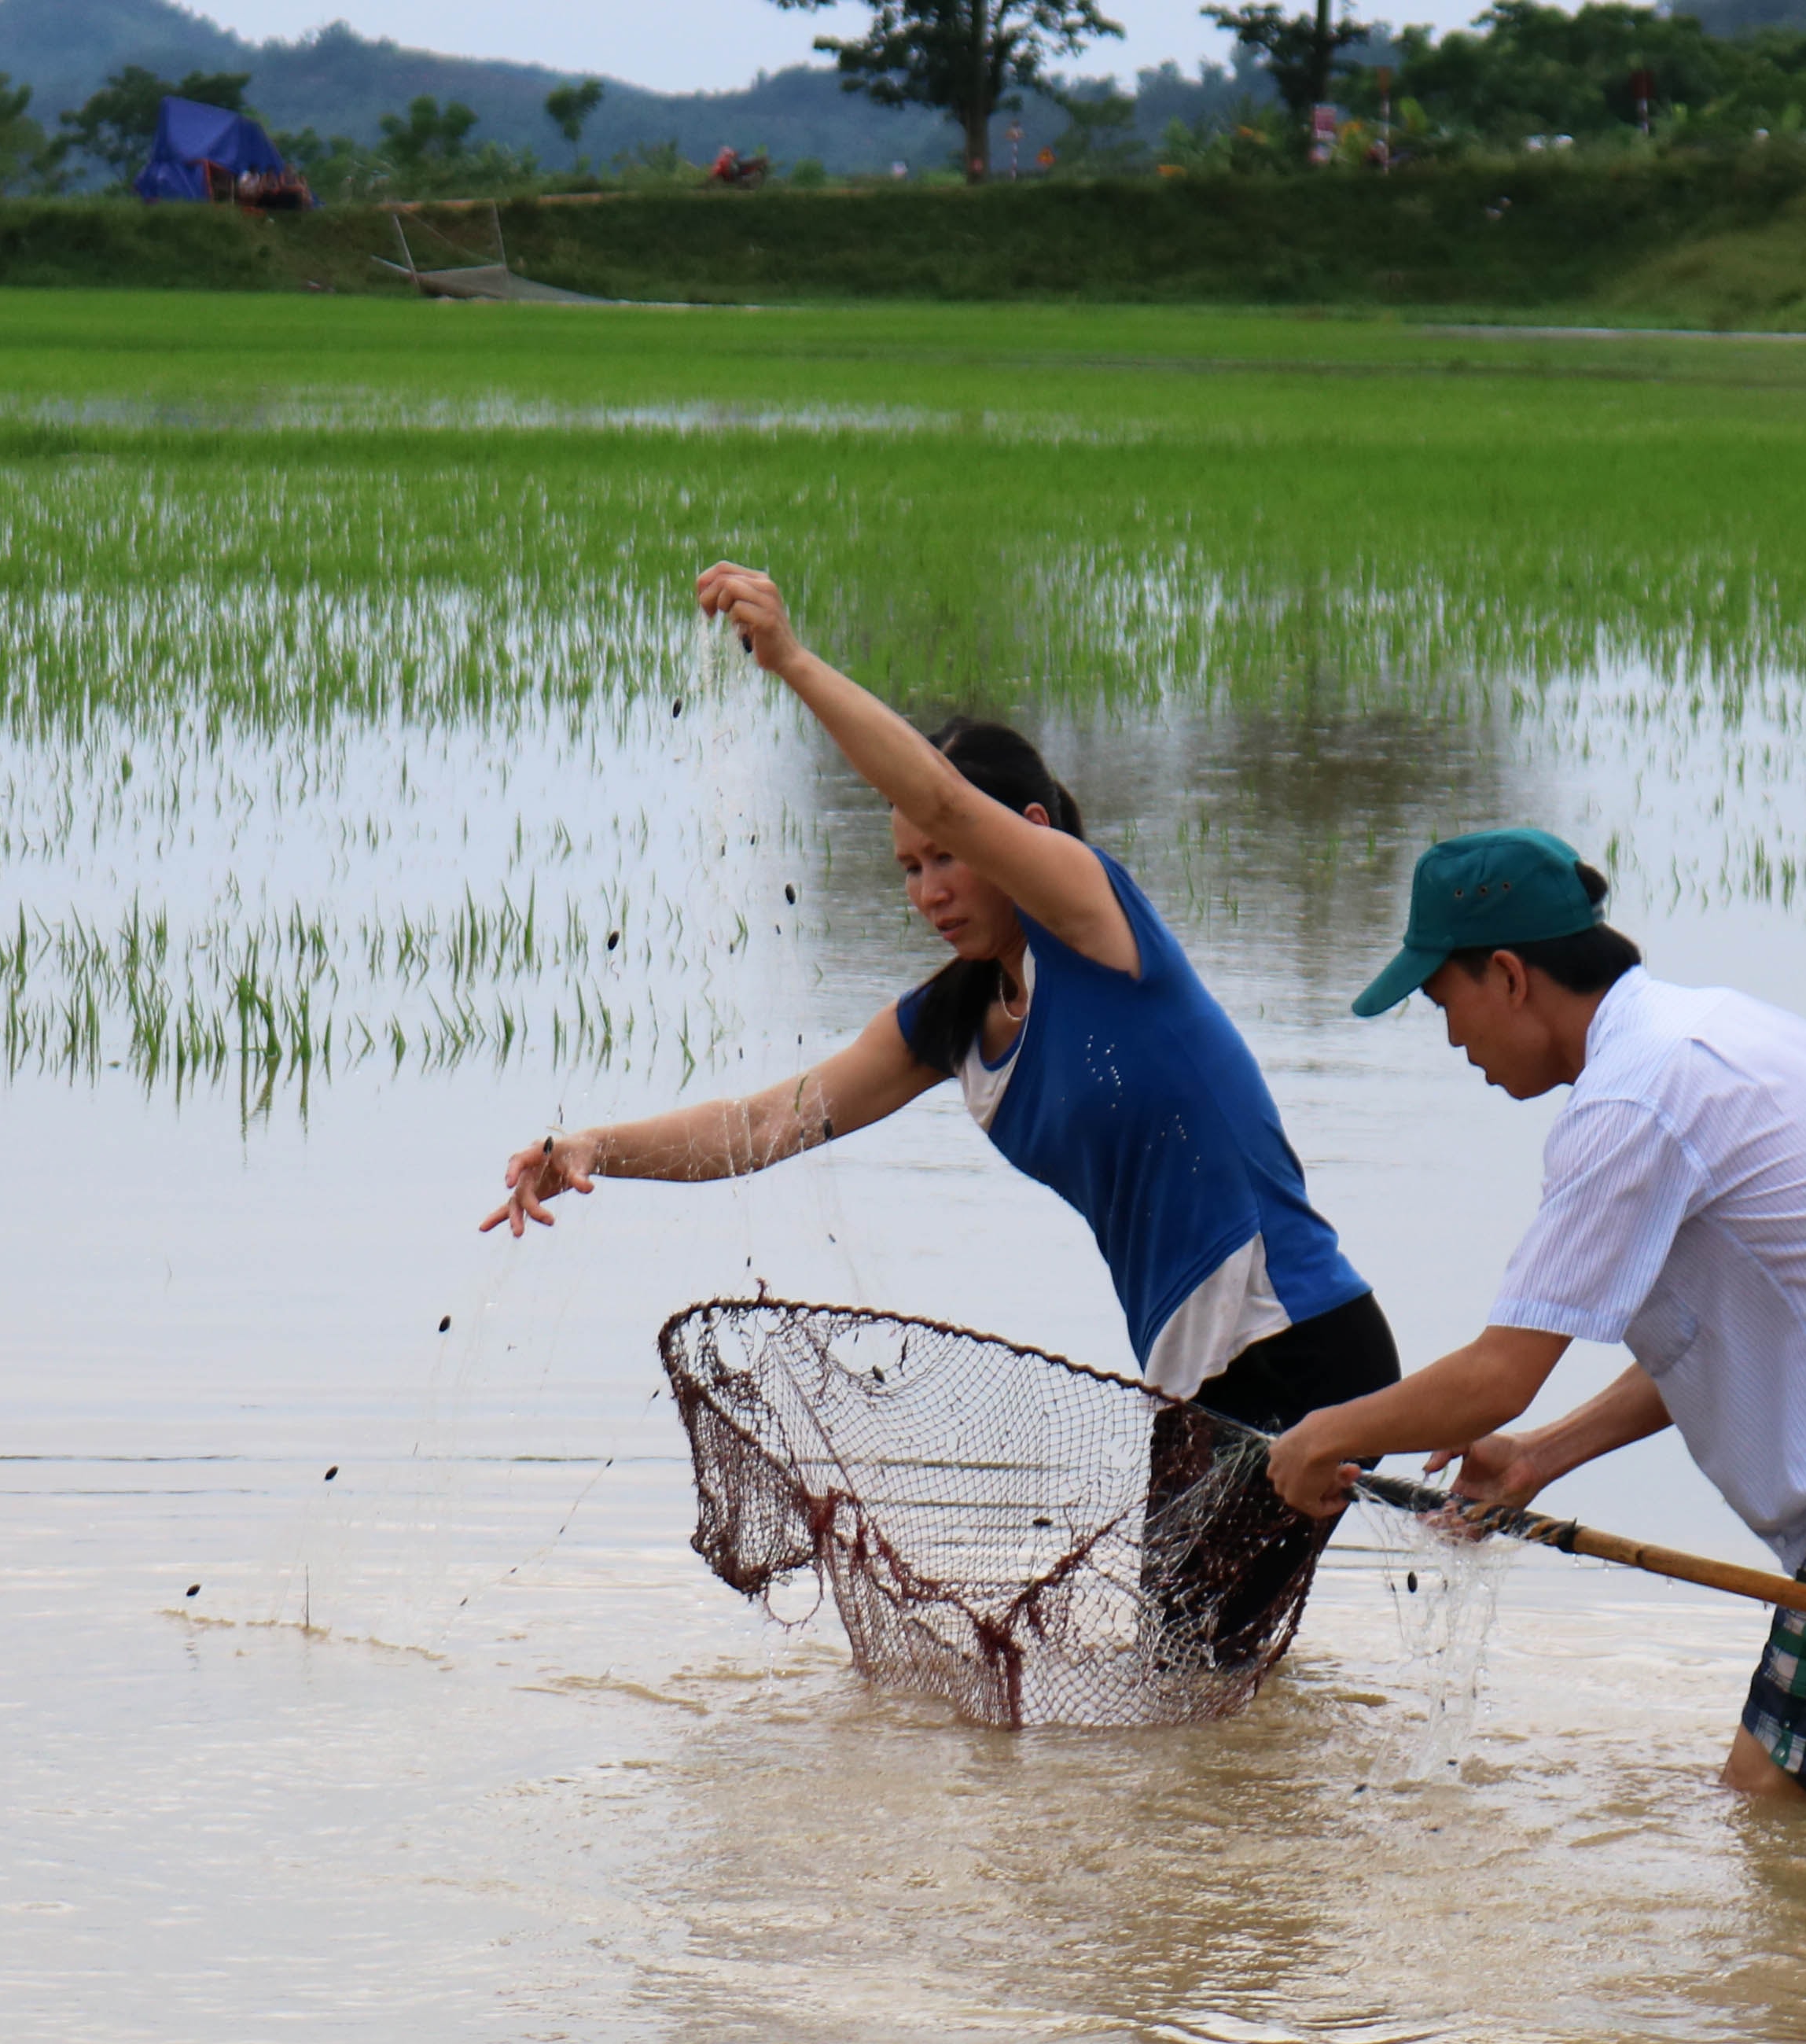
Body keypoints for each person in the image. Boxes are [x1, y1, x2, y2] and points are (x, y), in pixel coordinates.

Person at [484, 563, 1403, 1665]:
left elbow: (941, 788)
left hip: (1297, 1345)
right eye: (910, 868)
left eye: (945, 854)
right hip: (1200, 1377)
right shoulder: (957, 1021)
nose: (926, 887)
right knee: (1193, 1704)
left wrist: (790, 662)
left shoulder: (1095, 921)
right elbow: (770, 1122)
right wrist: (594, 1147)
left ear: (1025, 833)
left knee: (1186, 1678)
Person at [1265, 829, 1806, 1798]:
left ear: (1508, 975)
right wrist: (1538, 1457)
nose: (1453, 1040)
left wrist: (1321, 1435)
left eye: (1445, 1004)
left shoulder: (1633, 1101)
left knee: (1778, 1810)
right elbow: (1719, 1335)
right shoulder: (1709, 1031)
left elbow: (1497, 1375)